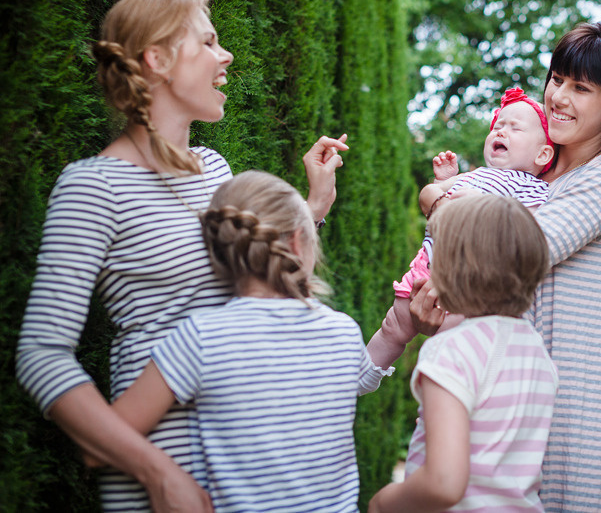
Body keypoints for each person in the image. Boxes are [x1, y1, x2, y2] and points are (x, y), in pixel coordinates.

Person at [15, 0, 350, 512]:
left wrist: (312, 210)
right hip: (157, 487)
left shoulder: (215, 169)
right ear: (159, 59)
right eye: (209, 42)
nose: (227, 56)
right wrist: (157, 471)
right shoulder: (91, 186)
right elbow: (40, 354)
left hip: (247, 473)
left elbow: (257, 284)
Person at [412, 22, 601, 512]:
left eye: (581, 88)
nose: (559, 97)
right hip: (513, 367)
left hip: (578, 373)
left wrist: (439, 201)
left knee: (567, 494)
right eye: (557, 79)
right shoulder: (537, 166)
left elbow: (523, 248)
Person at [104, 170, 389, 512]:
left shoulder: (202, 337)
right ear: (299, 242)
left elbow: (109, 436)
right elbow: (355, 380)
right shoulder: (343, 331)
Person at [368, 194, 559, 513]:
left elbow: (442, 484)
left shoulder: (451, 350)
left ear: (454, 268)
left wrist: (384, 501)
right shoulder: (536, 350)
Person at [366, 87, 554, 366]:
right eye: (498, 125)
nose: (500, 132)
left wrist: (481, 208)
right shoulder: (474, 175)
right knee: (393, 327)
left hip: (468, 282)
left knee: (451, 342)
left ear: (542, 155)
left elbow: (526, 228)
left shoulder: (532, 188)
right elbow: (427, 194)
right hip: (425, 270)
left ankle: (445, 391)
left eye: (515, 128)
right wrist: (442, 189)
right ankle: (355, 380)